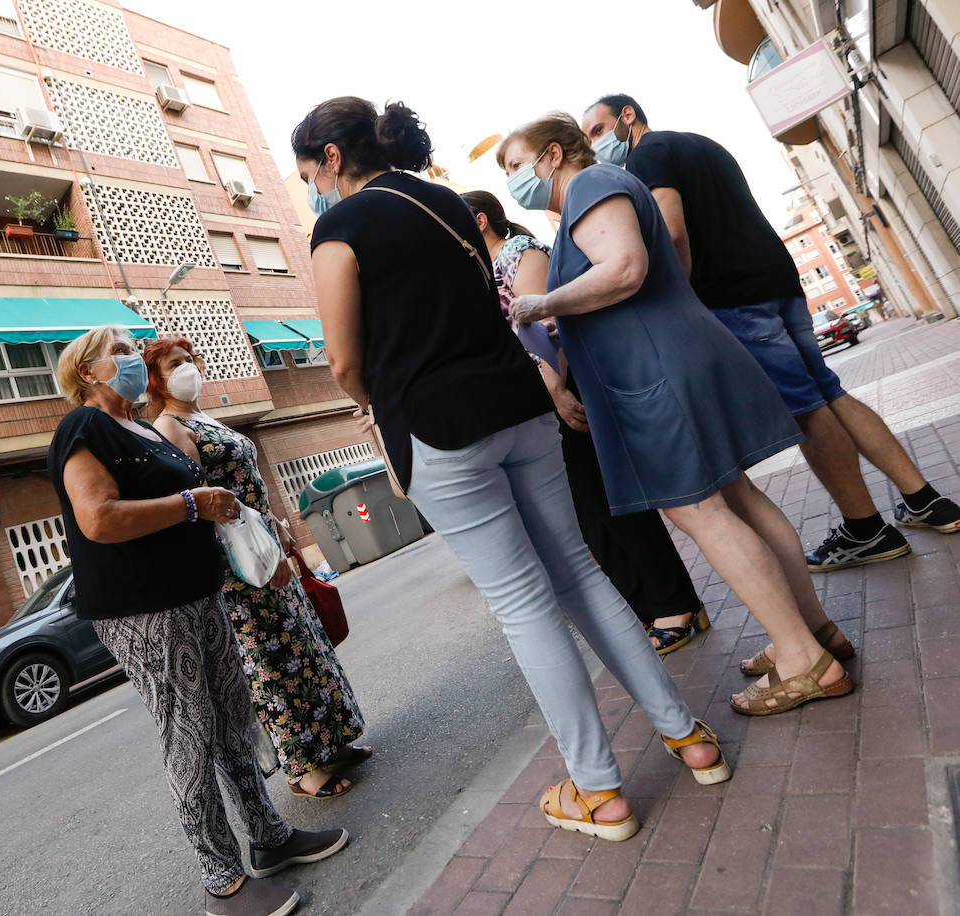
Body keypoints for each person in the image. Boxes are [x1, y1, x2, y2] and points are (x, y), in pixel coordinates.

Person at [296, 96, 730, 844]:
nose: (312, 187)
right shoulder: (446, 203)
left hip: (438, 427)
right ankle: (688, 736)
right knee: (581, 574)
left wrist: (376, 401)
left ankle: (599, 788)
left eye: (310, 173)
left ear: (332, 158)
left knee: (523, 603)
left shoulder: (339, 228)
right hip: (519, 404)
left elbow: (342, 360)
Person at [499, 112, 856, 718]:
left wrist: (543, 304)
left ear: (553, 155)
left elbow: (624, 268)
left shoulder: (590, 185)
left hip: (654, 371)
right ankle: (812, 632)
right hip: (666, 358)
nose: (513, 180)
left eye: (515, 165)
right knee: (737, 499)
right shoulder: (600, 190)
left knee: (701, 510)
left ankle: (804, 661)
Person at [579, 93, 960, 578]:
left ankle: (866, 529)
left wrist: (681, 298)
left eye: (597, 130)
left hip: (736, 298)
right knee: (828, 391)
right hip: (778, 282)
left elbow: (672, 232)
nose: (595, 143)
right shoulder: (701, 144)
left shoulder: (646, 154)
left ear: (627, 116)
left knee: (806, 409)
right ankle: (925, 500)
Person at [49, 326, 347, 916]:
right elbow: (98, 518)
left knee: (233, 719)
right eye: (120, 352)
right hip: (145, 609)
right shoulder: (83, 428)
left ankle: (268, 837)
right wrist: (193, 503)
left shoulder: (140, 427)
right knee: (190, 732)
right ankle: (222, 881)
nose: (132, 360)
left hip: (199, 595)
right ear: (87, 372)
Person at [460, 190, 707, 655]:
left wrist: (556, 389)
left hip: (564, 390)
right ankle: (653, 607)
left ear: (480, 220)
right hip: (537, 400)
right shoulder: (484, 270)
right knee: (589, 514)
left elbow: (546, 323)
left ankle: (674, 604)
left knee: (613, 504)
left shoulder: (518, 252)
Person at [144, 337, 371, 800]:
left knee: (305, 651)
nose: (187, 368)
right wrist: (260, 556)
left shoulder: (201, 417)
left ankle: (331, 742)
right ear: (155, 380)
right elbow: (208, 509)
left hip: (265, 545)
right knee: (274, 666)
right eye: (173, 365)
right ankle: (302, 769)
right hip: (243, 567)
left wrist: (279, 530)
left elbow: (248, 485)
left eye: (189, 359)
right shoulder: (169, 427)